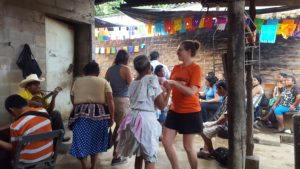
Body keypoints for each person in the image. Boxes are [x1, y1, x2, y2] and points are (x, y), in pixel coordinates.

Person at [117, 55, 170, 169]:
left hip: (133, 118)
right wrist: (169, 91)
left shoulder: (133, 83)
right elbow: (161, 105)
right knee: (150, 156)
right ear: (148, 69)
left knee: (139, 154)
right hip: (146, 120)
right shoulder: (151, 79)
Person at [162, 40, 203, 169]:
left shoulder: (196, 68)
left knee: (188, 146)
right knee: (166, 141)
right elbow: (170, 87)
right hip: (175, 110)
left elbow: (191, 92)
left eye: (180, 50)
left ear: (189, 52)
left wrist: (174, 83)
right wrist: (163, 85)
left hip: (190, 111)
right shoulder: (176, 67)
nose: (177, 52)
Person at [69, 61, 115, 169]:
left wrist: (79, 106)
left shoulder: (77, 81)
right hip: (100, 114)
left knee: (80, 142)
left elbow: (72, 98)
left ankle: (84, 167)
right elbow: (111, 101)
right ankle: (93, 167)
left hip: (80, 114)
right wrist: (112, 117)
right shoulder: (103, 82)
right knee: (96, 142)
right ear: (97, 72)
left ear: (84, 72)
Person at [0, 95, 53, 169]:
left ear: (11, 110)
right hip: (47, 154)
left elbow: (14, 149)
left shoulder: (15, 126)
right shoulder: (43, 111)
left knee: (3, 155)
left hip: (28, 161)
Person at [18, 74, 70, 142]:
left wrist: (53, 98)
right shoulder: (23, 94)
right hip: (29, 117)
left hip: (42, 116)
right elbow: (19, 103)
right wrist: (33, 103)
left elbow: (50, 110)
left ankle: (60, 137)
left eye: (38, 84)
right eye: (35, 84)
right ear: (28, 86)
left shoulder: (41, 94)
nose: (38, 86)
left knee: (56, 114)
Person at [105, 49, 132, 165]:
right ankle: (116, 156)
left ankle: (117, 152)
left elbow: (105, 84)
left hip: (111, 101)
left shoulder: (110, 70)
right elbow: (131, 85)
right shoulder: (126, 69)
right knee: (120, 129)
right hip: (122, 102)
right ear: (126, 59)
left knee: (117, 127)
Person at [197, 80, 228, 159]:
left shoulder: (229, 99)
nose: (216, 91)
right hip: (223, 122)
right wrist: (212, 123)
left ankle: (211, 152)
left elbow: (225, 117)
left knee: (204, 131)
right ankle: (206, 150)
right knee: (201, 127)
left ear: (221, 88)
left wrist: (213, 124)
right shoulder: (226, 97)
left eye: (217, 89)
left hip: (227, 125)